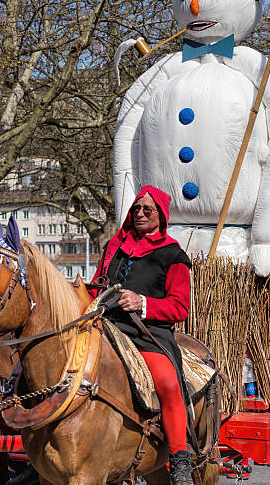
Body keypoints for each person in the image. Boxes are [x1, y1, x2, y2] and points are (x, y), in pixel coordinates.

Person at [89, 185, 193, 485]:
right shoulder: (115, 246)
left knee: (169, 385)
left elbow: (179, 307)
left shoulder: (173, 254)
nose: (141, 214)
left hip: (148, 334)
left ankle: (180, 459)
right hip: (106, 325)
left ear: (161, 215)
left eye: (148, 209)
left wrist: (141, 302)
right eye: (137, 209)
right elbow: (100, 283)